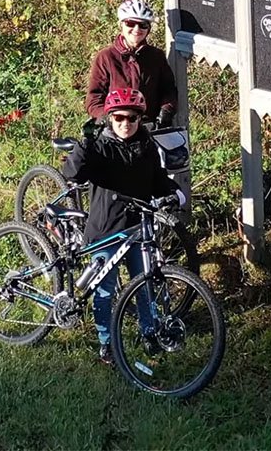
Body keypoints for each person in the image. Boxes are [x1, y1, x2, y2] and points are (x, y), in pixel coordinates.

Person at [62, 87, 186, 364]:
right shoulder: (99, 146)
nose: (125, 124)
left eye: (132, 118)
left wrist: (173, 193)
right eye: (118, 118)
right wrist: (84, 144)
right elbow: (72, 173)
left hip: (138, 227)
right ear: (109, 118)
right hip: (106, 231)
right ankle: (106, 343)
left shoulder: (147, 146)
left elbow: (158, 180)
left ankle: (149, 334)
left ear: (140, 119)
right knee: (104, 292)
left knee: (145, 285)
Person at [85, 0, 177, 125]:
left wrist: (166, 111)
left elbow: (169, 91)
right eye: (130, 23)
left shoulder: (156, 56)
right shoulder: (106, 57)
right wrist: (108, 119)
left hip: (149, 129)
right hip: (116, 129)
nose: (136, 29)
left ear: (148, 29)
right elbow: (94, 98)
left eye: (143, 25)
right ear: (121, 25)